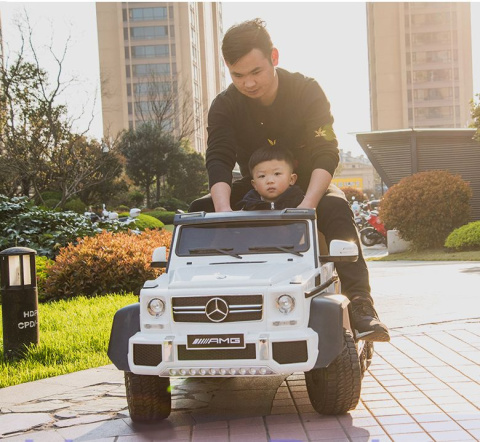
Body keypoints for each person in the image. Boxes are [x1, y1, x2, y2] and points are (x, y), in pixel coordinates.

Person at [189, 18, 390, 342]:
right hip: (255, 184)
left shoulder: (307, 90)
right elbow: (219, 158)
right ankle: (209, 308)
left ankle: (361, 306)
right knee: (202, 210)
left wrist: (307, 206)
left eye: (256, 72)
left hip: (308, 181)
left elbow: (326, 148)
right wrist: (222, 212)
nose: (248, 83)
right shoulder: (224, 105)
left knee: (337, 209)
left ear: (274, 57)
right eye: (238, 75)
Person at [236, 145, 304, 210]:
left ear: (291, 179)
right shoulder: (248, 206)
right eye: (262, 176)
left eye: (277, 174)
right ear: (254, 185)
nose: (270, 181)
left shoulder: (302, 203)